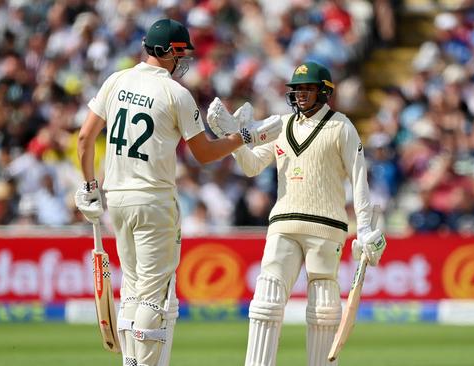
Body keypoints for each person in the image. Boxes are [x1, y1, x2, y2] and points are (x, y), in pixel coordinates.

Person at [73, 19, 281, 366]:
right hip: (154, 200)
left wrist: (89, 187)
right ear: (167, 51)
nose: (184, 60)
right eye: (181, 52)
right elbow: (204, 154)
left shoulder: (117, 79)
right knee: (153, 298)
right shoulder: (175, 93)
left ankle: (131, 362)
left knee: (133, 292)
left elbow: (83, 139)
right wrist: (246, 137)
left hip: (117, 200)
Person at [207, 61, 387, 366]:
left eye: (307, 88)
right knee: (266, 301)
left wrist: (365, 228)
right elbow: (251, 166)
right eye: (297, 89)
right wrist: (234, 139)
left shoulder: (341, 126)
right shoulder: (279, 125)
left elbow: (359, 179)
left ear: (324, 92)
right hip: (283, 223)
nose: (301, 94)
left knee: (324, 308)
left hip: (327, 227)